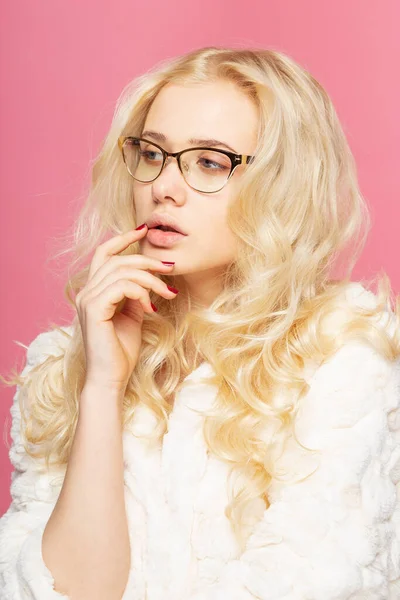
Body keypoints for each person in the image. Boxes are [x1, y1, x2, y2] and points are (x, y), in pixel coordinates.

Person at [0, 46, 399, 600]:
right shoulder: (62, 363)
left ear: (282, 185)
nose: (165, 186)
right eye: (152, 153)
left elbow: (313, 583)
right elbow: (58, 592)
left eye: (209, 162)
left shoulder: (343, 354)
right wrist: (102, 386)